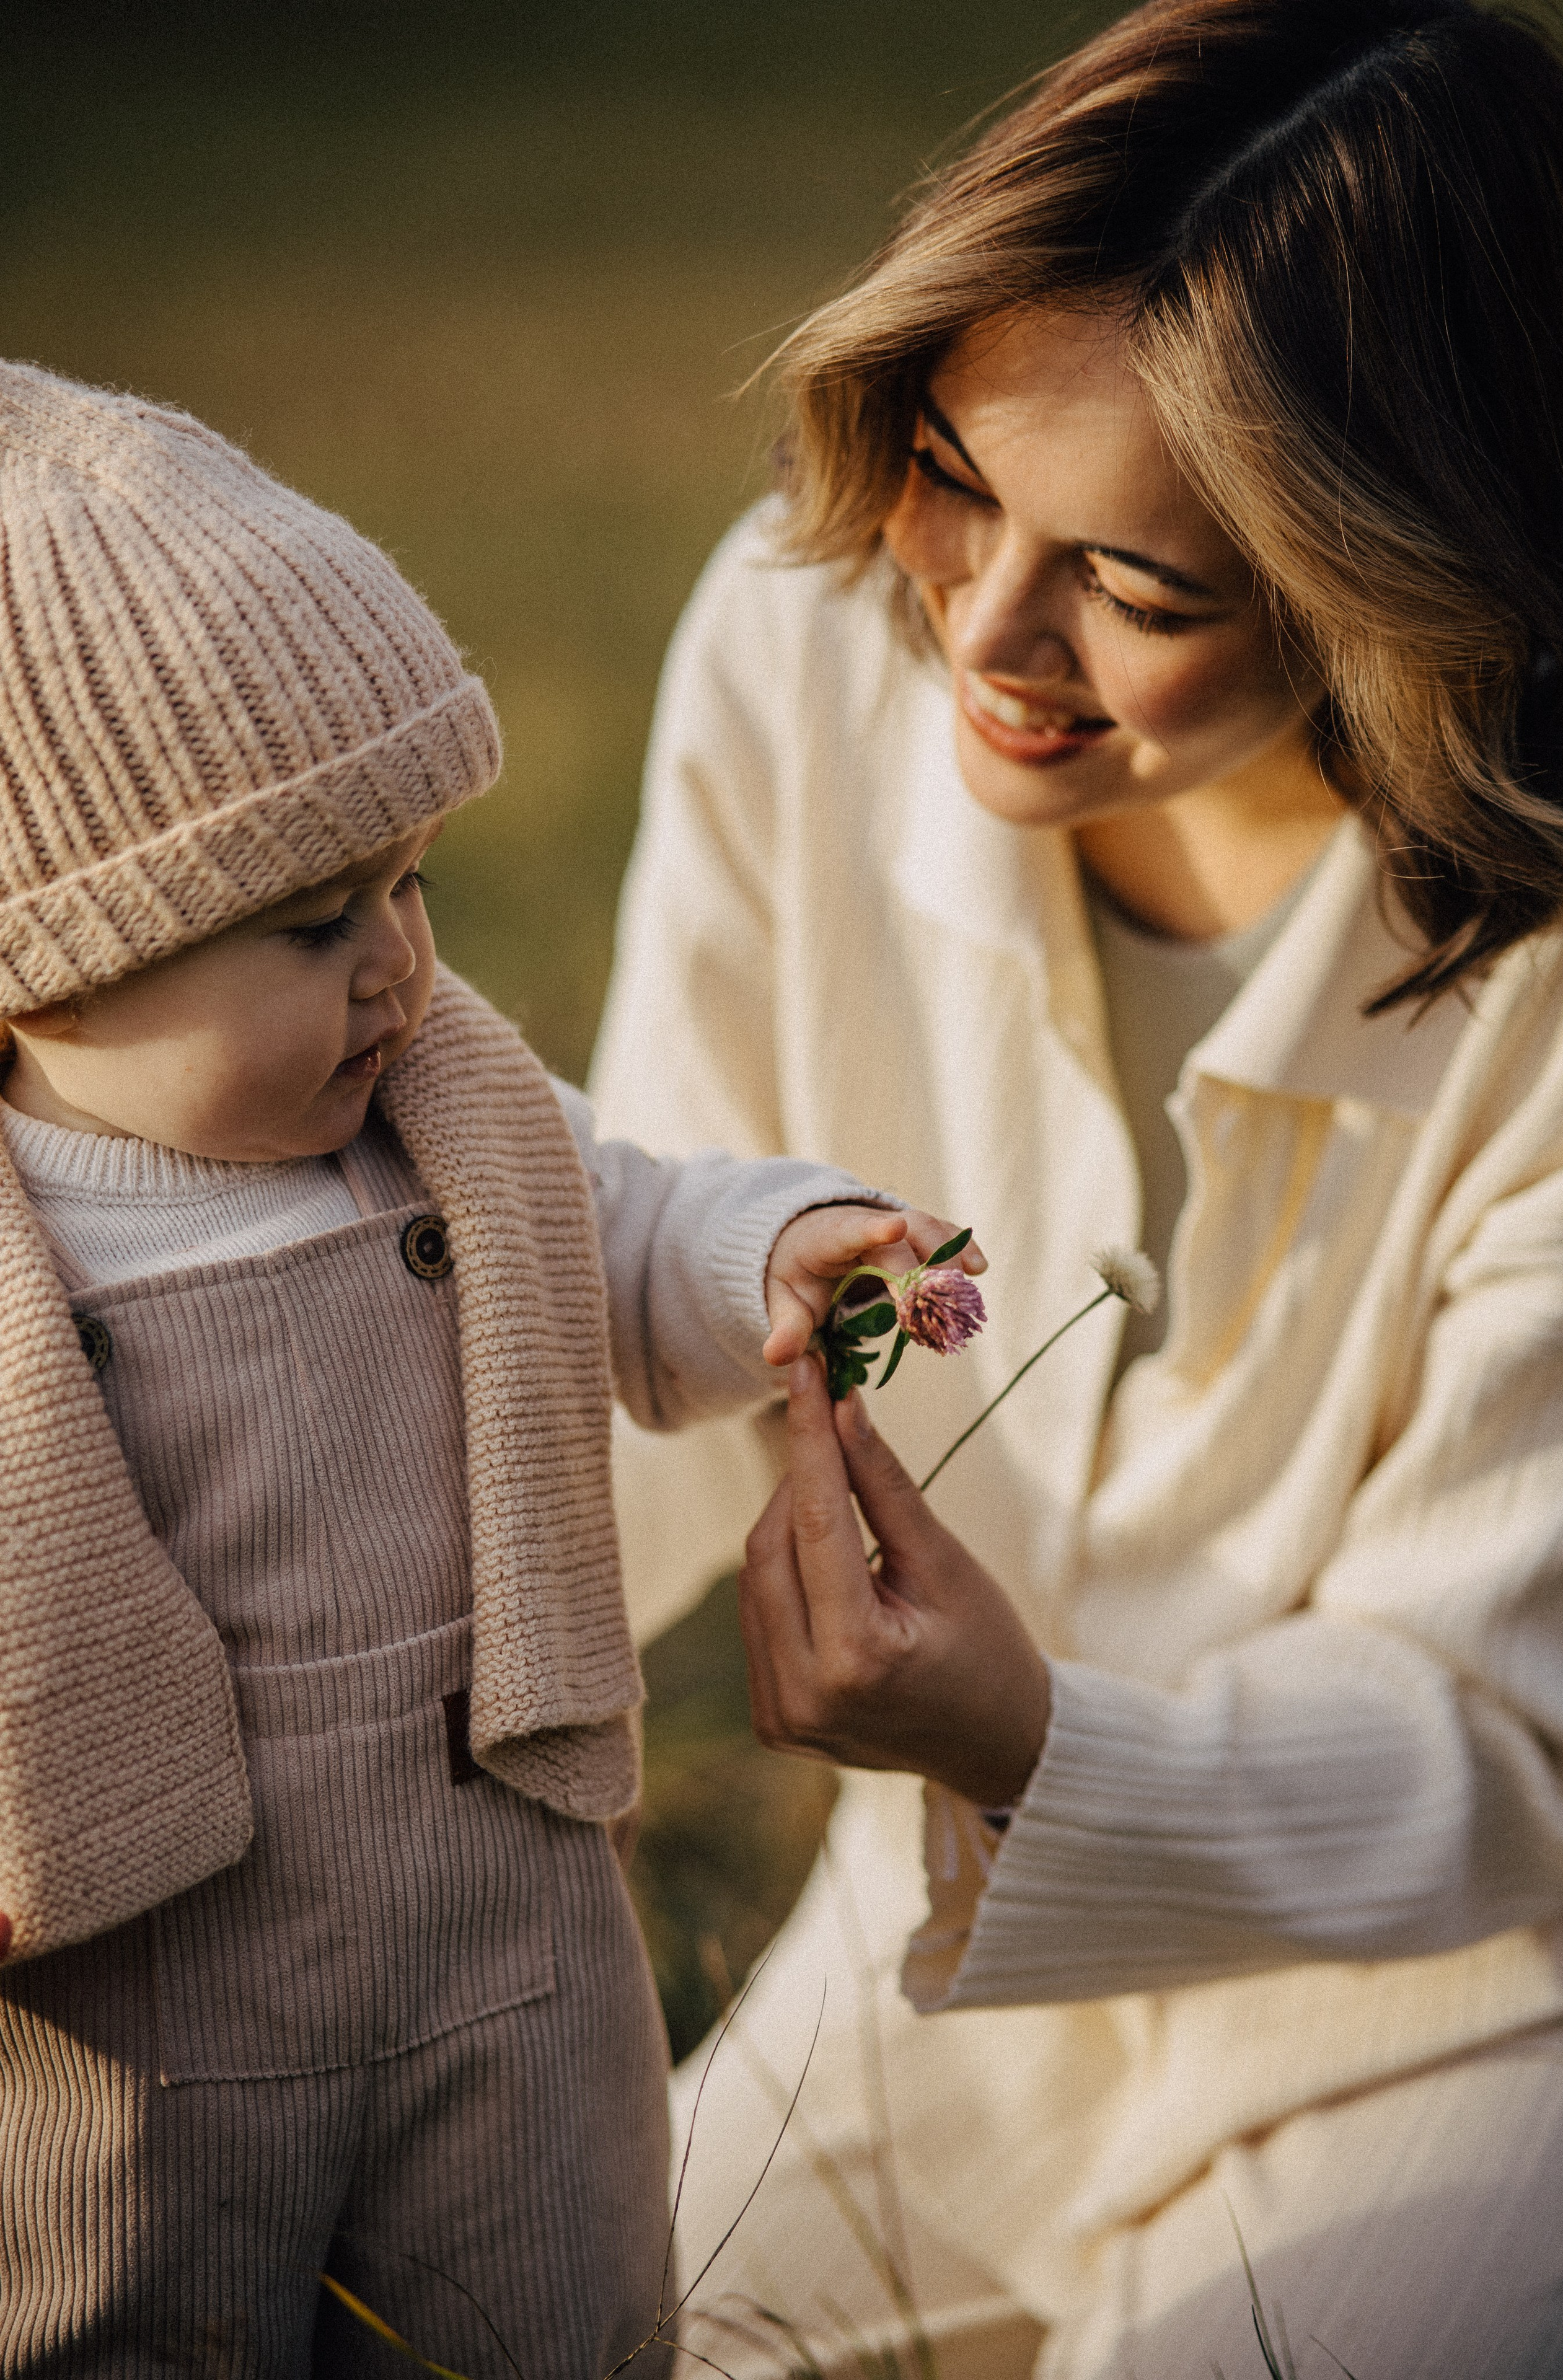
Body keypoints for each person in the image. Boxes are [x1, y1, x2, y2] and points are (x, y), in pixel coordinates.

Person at [588, 1, 1563, 2371]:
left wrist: (1027, 1738)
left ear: (1400, 577)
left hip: (1481, 1996)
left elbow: (1517, 1739)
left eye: (1140, 587)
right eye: (951, 476)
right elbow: (625, 1329)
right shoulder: (807, 641)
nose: (984, 627)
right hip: (947, 1952)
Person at [0, 361, 973, 2379]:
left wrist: (767, 1249)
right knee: (124, 2313)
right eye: (310, 921)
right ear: (49, 967)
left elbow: (623, 1230)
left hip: (502, 1923)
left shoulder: (450, 1118)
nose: (400, 965)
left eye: (412, 881)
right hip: (126, 1998)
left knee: (545, 2308)